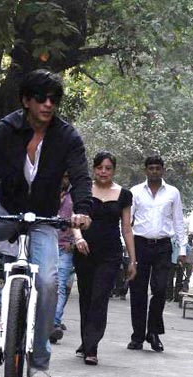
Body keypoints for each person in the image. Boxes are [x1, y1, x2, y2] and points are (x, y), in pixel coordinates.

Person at [0, 69, 92, 377]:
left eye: (53, 99)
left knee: (47, 281)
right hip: (6, 209)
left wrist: (83, 211)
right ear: (26, 101)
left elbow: (81, 177)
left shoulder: (67, 136)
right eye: (41, 99)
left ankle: (40, 360)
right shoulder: (3, 131)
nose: (48, 104)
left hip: (44, 218)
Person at [73, 151, 136, 365]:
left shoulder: (124, 195)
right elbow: (74, 219)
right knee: (86, 296)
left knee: (100, 297)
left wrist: (132, 260)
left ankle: (92, 347)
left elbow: (126, 229)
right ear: (94, 169)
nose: (103, 172)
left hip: (110, 253)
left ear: (114, 171)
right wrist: (78, 238)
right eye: (100, 168)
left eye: (108, 168)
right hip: (84, 251)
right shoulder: (83, 190)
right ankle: (85, 340)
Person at [128, 155, 186, 352]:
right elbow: (127, 222)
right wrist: (126, 248)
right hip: (140, 244)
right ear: (146, 170)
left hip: (163, 246)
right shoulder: (135, 192)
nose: (154, 171)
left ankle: (153, 332)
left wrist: (182, 250)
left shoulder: (172, 193)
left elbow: (178, 221)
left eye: (157, 168)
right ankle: (137, 335)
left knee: (160, 289)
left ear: (163, 170)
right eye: (151, 168)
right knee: (138, 291)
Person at [50, 172, 75, 344]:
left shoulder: (73, 199)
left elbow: (81, 220)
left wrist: (73, 243)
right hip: (43, 246)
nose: (62, 180)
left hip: (64, 249)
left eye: (66, 176)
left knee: (60, 286)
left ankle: (54, 324)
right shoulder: (44, 193)